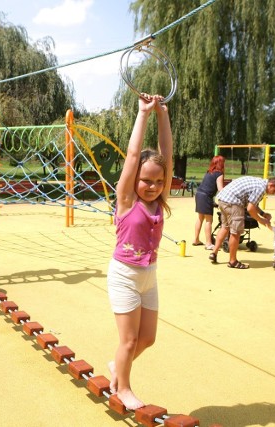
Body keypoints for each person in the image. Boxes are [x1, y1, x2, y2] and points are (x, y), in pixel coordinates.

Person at [106, 94, 173, 411]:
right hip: (125, 276)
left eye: (159, 181)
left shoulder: (159, 200)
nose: (153, 186)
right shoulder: (127, 200)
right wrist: (144, 113)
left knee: (147, 339)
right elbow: (133, 155)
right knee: (129, 341)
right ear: (135, 181)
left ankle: (117, 366)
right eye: (146, 180)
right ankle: (124, 387)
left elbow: (167, 155)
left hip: (149, 277)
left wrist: (164, 116)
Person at [208, 176, 275, 269]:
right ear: (271, 185)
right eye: (274, 191)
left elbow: (252, 203)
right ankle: (232, 261)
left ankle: (214, 253)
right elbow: (250, 209)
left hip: (222, 199)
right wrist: (261, 220)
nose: (273, 193)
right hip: (233, 202)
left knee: (225, 227)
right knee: (236, 233)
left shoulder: (259, 182)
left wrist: (262, 213)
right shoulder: (261, 188)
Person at [193, 155, 226, 250]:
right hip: (206, 196)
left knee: (200, 218)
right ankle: (208, 243)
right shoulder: (219, 174)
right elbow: (220, 189)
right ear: (221, 163)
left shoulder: (209, 172)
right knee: (209, 220)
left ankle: (196, 239)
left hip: (199, 194)